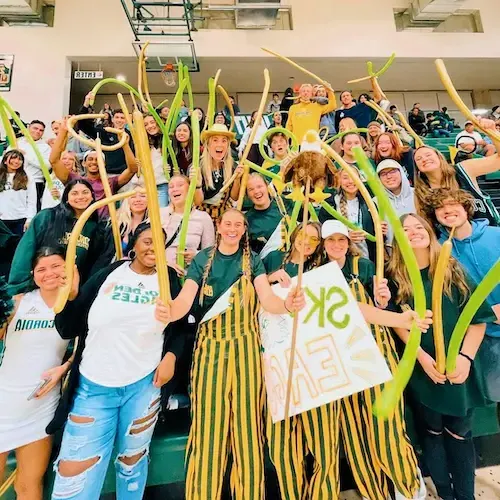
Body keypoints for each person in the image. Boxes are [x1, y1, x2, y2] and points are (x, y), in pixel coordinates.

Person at [154, 209, 306, 500]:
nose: (233, 228)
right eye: (228, 223)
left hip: (247, 348)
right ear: (219, 227)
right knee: (208, 430)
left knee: (249, 430)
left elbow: (269, 300)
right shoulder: (202, 260)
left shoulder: (253, 261)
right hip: (210, 349)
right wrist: (169, 310)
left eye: (239, 224)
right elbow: (185, 300)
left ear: (244, 229)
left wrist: (288, 305)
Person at [48, 223, 186, 500]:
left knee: (132, 463)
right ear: (132, 245)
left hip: (143, 385)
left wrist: (171, 357)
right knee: (75, 475)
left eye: (158, 243)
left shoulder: (168, 279)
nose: (152, 248)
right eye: (146, 241)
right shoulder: (108, 274)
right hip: (94, 387)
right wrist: (71, 298)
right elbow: (68, 327)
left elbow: (182, 326)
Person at [387, 213, 495, 500]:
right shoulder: (394, 277)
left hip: (459, 368)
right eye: (405, 229)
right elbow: (398, 321)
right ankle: (445, 493)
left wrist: (465, 358)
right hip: (423, 367)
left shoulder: (452, 269)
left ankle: (465, 495)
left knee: (459, 433)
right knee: (431, 433)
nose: (413, 232)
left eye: (418, 227)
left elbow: (478, 319)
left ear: (429, 232)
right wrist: (421, 358)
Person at [321, 220, 426, 500]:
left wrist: (383, 298)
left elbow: (381, 306)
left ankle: (409, 488)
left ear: (348, 242)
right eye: (330, 240)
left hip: (375, 353)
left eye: (341, 240)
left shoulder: (365, 267)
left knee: (387, 427)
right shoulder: (316, 273)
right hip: (341, 359)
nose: (336, 245)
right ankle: (373, 491)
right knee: (355, 429)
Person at [0, 248, 70, 500]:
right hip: (4, 400)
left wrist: (64, 368)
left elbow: (87, 347)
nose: (49, 273)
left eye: (56, 266)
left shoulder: (73, 306)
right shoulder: (19, 302)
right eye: (41, 269)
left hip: (39, 406)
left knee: (28, 485)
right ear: (33, 274)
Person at [424, 188, 500, 402]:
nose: (447, 210)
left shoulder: (496, 235)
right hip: (485, 339)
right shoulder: (437, 252)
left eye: (453, 204)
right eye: (440, 207)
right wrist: (490, 313)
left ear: (466, 208)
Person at [8, 179, 113, 296]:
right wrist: (17, 287)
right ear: (66, 198)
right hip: (38, 288)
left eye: (85, 192)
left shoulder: (95, 228)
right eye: (74, 193)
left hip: (70, 292)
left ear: (92, 196)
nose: (80, 197)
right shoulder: (47, 217)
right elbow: (25, 252)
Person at [413, 123, 500, 226]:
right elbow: (427, 225)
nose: (424, 159)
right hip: (451, 241)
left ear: (440, 158)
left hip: (490, 233)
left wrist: (492, 131)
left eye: (428, 155)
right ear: (417, 168)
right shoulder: (421, 192)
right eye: (418, 159)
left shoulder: (464, 169)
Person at [50, 119, 138, 219]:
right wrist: (63, 131)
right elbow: (54, 160)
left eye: (98, 159)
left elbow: (132, 170)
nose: (94, 162)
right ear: (84, 163)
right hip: (78, 224)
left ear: (104, 164)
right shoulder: (74, 180)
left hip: (101, 226)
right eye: (90, 159)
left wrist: (125, 145)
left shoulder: (110, 182)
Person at [320, 161, 376, 261]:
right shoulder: (330, 203)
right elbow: (323, 230)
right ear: (339, 181)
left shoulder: (369, 203)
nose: (350, 181)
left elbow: (376, 233)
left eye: (354, 177)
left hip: (367, 257)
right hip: (339, 257)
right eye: (345, 178)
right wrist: (346, 236)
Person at [160, 174, 214, 270]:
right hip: (162, 273)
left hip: (188, 275)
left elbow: (210, 252)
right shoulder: (160, 214)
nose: (174, 189)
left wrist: (196, 255)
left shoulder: (203, 217)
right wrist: (166, 264)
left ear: (190, 189)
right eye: (171, 187)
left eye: (180, 185)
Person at [193, 123, 242, 221]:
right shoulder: (197, 167)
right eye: (215, 140)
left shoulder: (233, 166)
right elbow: (197, 202)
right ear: (208, 144)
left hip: (224, 215)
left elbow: (235, 197)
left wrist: (237, 180)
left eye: (224, 141)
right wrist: (197, 185)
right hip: (201, 216)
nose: (220, 144)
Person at [79, 92, 135, 176]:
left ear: (126, 120)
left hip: (124, 175)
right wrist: (86, 104)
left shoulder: (132, 135)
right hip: (104, 174)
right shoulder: (104, 132)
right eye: (117, 117)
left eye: (122, 118)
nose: (119, 120)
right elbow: (82, 125)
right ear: (112, 119)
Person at [245, 173, 290, 257]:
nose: (256, 191)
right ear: (247, 195)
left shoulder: (283, 203)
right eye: (251, 189)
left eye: (259, 186)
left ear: (267, 187)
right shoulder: (247, 220)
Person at [373, 159, 416, 245]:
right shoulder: (375, 202)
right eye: (383, 174)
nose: (389, 176)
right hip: (393, 252)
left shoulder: (418, 194)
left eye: (392, 171)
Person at [130, 114, 169, 207]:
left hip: (160, 183)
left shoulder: (168, 139)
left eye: (152, 122)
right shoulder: (139, 142)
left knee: (161, 213)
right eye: (146, 124)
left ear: (158, 122)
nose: (150, 126)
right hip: (143, 184)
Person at [16, 119, 51, 211]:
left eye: (41, 130)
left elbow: (47, 165)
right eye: (35, 128)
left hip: (36, 182)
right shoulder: (18, 143)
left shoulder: (45, 147)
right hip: (15, 181)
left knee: (33, 210)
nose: (38, 132)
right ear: (28, 128)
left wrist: (25, 155)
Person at [0, 149, 36, 235]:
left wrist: (30, 219)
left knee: (17, 246)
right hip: (2, 220)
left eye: (20, 159)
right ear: (5, 161)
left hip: (20, 219)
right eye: (13, 158)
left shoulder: (27, 176)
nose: (16, 161)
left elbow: (32, 200)